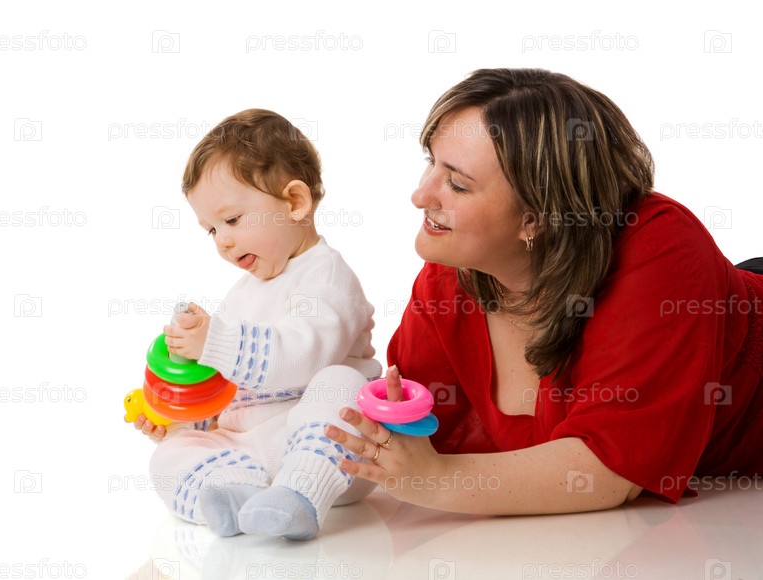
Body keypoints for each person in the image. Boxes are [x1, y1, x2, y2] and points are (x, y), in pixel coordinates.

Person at [326, 68, 763, 515]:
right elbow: (410, 425)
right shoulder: (452, 270)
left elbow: (608, 472)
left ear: (536, 218)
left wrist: (437, 480)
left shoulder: (661, 248)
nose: (420, 196)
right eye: (430, 163)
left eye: (457, 183)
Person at [135, 109, 381, 539]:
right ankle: (240, 497)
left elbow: (305, 356)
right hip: (254, 451)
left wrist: (217, 342)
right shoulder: (242, 294)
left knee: (341, 383)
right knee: (168, 458)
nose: (223, 241)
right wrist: (187, 419)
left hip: (329, 451)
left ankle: (300, 495)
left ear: (295, 203)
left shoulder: (325, 275)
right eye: (211, 230)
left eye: (231, 220)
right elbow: (233, 391)